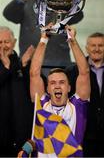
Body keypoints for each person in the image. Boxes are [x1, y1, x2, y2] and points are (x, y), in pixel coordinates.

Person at [18, 25, 90, 157]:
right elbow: (34, 73)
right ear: (47, 89)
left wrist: (72, 41)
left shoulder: (77, 106)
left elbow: (84, 72)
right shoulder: (42, 103)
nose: (57, 86)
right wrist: (43, 39)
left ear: (69, 88)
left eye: (62, 82)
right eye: (52, 83)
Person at [3, 0, 84, 76]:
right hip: (29, 62)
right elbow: (8, 15)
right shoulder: (25, 2)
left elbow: (78, 17)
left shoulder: (62, 2)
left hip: (59, 63)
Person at [66, 32, 104, 157]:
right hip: (83, 136)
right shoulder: (72, 71)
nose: (97, 49)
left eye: (101, 45)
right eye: (93, 45)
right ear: (87, 47)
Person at [0, 26, 34, 157]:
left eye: (6, 42)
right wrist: (6, 67)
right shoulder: (9, 65)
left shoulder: (22, 63)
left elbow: (36, 92)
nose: (3, 46)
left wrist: (25, 67)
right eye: (0, 42)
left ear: (14, 42)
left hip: (20, 138)